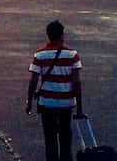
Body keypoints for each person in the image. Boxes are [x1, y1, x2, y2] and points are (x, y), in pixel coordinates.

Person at [24, 20, 84, 161]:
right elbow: (76, 83)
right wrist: (79, 108)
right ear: (62, 35)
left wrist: (29, 102)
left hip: (47, 103)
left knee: (50, 140)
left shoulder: (40, 55)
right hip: (66, 103)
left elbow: (33, 81)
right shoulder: (72, 54)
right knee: (65, 139)